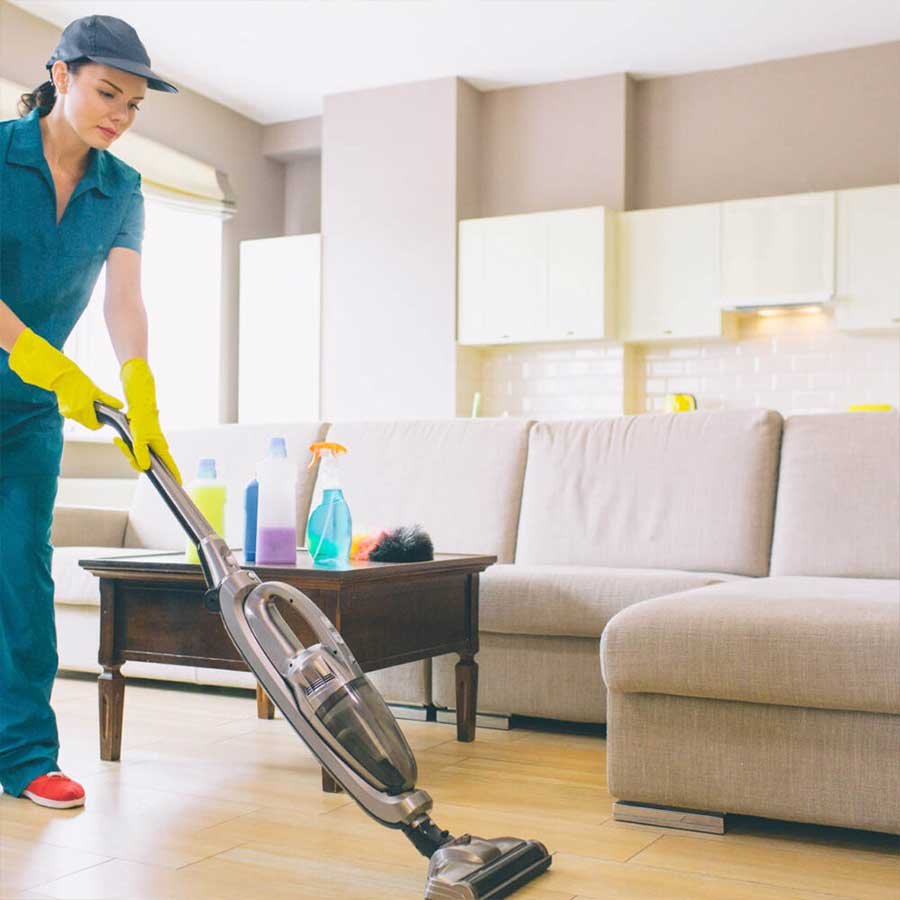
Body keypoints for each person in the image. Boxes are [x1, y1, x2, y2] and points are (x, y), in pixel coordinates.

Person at [0, 15, 182, 809]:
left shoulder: (123, 187)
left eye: (135, 103)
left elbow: (124, 301)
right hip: (38, 378)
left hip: (27, 416)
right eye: (109, 92)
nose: (121, 114)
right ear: (61, 74)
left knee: (21, 576)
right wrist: (45, 358)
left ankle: (24, 757)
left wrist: (136, 386)